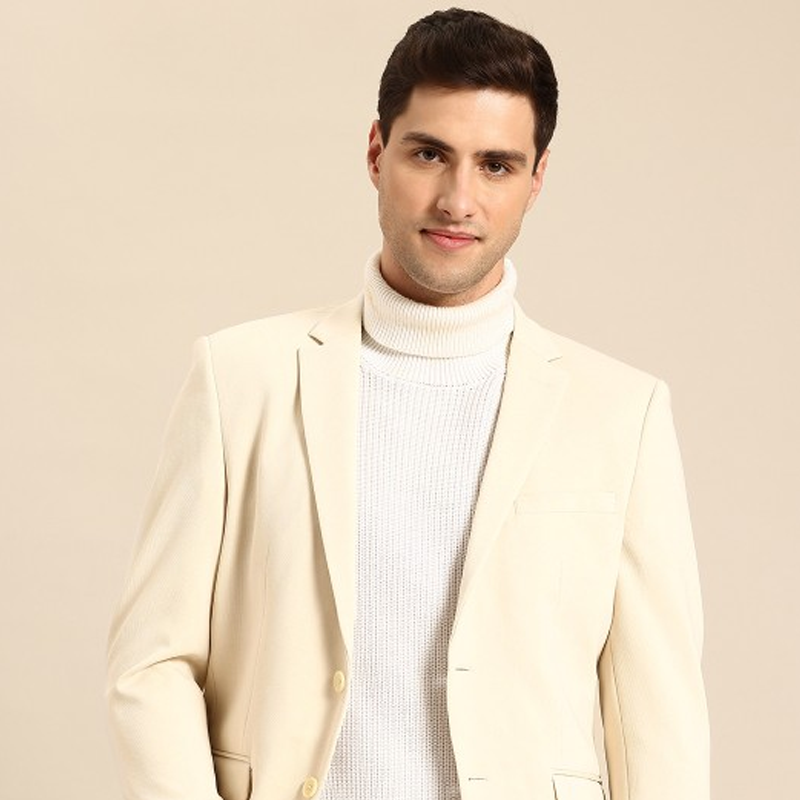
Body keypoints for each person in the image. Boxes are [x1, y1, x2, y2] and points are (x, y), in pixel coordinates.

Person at [105, 8, 709, 800]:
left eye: (496, 166)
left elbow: (658, 718)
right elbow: (151, 662)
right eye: (429, 154)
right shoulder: (238, 379)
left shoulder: (621, 414)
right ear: (376, 153)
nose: (458, 199)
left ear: (536, 180)